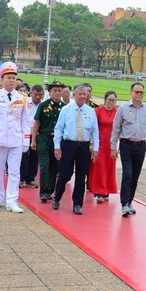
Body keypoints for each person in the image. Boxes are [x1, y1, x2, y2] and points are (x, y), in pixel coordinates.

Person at [0, 61, 31, 213]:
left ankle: (12, 201)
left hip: (15, 139)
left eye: (13, 78)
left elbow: (26, 121)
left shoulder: (22, 97)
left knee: (15, 172)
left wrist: (26, 140)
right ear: (2, 80)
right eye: (8, 77)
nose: (11, 80)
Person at [52, 83, 99, 215]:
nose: (83, 96)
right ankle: (57, 197)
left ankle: (77, 203)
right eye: (80, 94)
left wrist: (95, 148)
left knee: (81, 176)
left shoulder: (90, 111)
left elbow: (95, 132)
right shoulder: (66, 110)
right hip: (69, 145)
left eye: (85, 94)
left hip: (83, 146)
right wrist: (57, 147)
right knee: (65, 174)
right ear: (74, 95)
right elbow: (59, 129)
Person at [111, 82, 146, 217]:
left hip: (140, 146)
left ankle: (130, 201)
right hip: (126, 145)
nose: (139, 95)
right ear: (131, 92)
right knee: (128, 174)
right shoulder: (123, 109)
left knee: (135, 176)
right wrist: (113, 147)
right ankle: (124, 203)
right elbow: (116, 129)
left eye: (141, 92)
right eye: (136, 92)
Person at [32, 81, 66, 203]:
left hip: (58, 140)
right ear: (50, 92)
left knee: (54, 166)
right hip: (44, 138)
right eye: (54, 91)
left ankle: (50, 190)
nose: (57, 93)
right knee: (44, 165)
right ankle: (44, 192)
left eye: (59, 91)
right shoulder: (43, 105)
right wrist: (33, 140)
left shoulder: (65, 107)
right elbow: (37, 123)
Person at [89, 90, 119, 202]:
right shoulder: (98, 111)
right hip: (100, 143)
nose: (111, 102)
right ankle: (99, 192)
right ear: (105, 100)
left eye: (113, 100)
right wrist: (92, 143)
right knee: (99, 167)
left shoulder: (117, 112)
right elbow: (92, 127)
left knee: (109, 168)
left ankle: (107, 191)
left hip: (111, 144)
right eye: (109, 100)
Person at [19, 84, 44, 188]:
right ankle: (22, 178)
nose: (37, 97)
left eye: (40, 95)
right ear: (31, 93)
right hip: (25, 133)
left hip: (38, 134)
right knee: (23, 156)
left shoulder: (44, 105)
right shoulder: (24, 102)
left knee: (34, 157)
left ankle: (31, 178)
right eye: (35, 94)